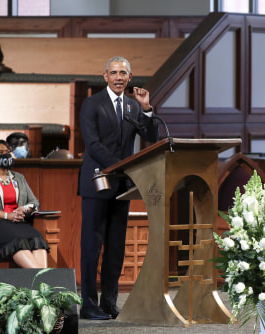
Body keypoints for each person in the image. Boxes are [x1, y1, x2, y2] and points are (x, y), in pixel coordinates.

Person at [78, 56, 158, 320]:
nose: (118, 77)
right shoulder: (92, 104)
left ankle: (109, 303)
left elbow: (151, 136)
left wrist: (146, 109)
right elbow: (93, 145)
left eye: (123, 72)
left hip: (123, 186)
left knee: (115, 247)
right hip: (98, 183)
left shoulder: (133, 107)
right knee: (92, 246)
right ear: (105, 77)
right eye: (113, 72)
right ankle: (88, 304)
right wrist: (122, 166)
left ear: (130, 77)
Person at [0, 140, 49, 268]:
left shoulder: (19, 177)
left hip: (19, 223)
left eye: (7, 152)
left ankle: (42, 281)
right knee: (19, 242)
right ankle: (43, 282)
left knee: (37, 238)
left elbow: (34, 202)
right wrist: (6, 215)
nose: (5, 155)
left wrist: (24, 208)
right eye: (0, 153)